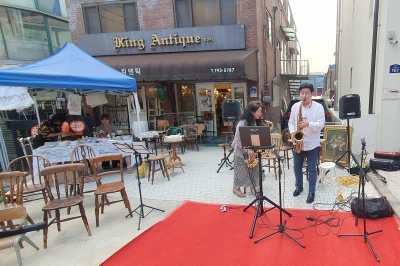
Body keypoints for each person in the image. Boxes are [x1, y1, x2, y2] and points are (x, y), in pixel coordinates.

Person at [288, 83, 325, 204]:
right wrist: (293, 133)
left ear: (312, 94)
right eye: (302, 93)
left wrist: (308, 124)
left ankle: (312, 192)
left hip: (312, 143)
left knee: (312, 169)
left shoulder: (319, 107)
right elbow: (291, 122)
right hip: (298, 142)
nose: (304, 95)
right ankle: (299, 186)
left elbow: (321, 125)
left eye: (307, 93)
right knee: (297, 166)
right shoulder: (295, 107)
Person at [231, 101, 265, 197]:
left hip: (253, 151)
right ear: (252, 112)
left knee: (255, 170)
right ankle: (236, 188)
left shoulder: (256, 122)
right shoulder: (242, 123)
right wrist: (247, 150)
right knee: (240, 171)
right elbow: (237, 140)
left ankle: (253, 187)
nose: (260, 113)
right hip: (241, 151)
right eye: (259, 111)